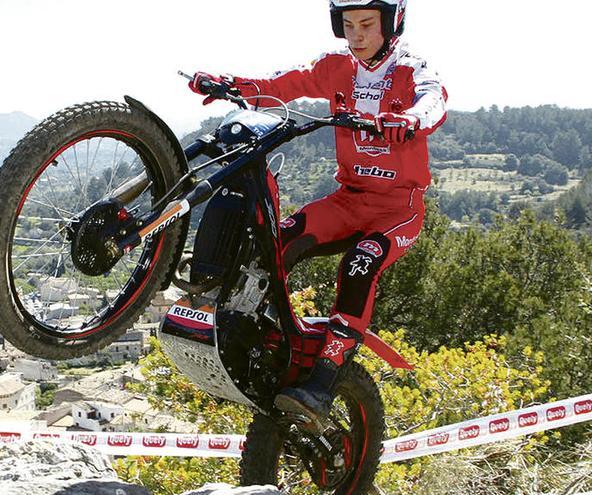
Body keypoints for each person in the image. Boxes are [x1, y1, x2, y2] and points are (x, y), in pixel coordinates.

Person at [188, 0, 447, 421]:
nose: (357, 34)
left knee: (360, 266)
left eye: (367, 24)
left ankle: (324, 381)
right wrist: (230, 85)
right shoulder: (335, 66)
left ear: (391, 23)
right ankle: (254, 336)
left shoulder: (411, 69)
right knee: (277, 242)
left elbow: (433, 100)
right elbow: (282, 85)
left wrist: (413, 120)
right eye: (348, 25)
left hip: (396, 210)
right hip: (348, 199)